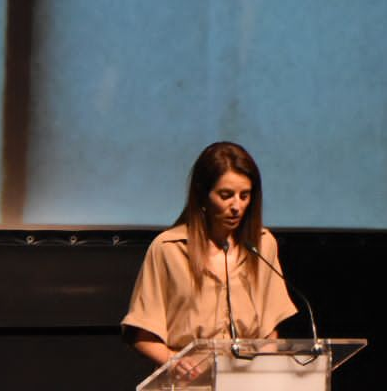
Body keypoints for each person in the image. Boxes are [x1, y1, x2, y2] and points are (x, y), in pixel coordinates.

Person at [122, 141, 300, 369]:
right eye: (226, 195)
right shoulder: (169, 249)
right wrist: (174, 361)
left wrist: (262, 367)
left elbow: (269, 332)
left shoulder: (263, 245)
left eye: (244, 196)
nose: (236, 206)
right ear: (203, 195)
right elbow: (142, 335)